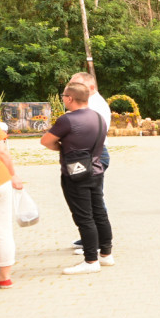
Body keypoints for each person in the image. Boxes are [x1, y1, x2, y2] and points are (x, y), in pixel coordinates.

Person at [40, 81, 114, 275]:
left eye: (64, 96)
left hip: (75, 173)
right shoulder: (99, 117)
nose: (63, 99)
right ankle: (106, 254)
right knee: (99, 212)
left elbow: (45, 141)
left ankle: (90, 260)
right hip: (96, 170)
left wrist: (62, 147)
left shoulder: (67, 119)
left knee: (84, 217)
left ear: (70, 98)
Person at [68, 72, 111, 253]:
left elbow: (84, 132)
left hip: (92, 155)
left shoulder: (94, 105)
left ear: (90, 87)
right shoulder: (91, 103)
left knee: (91, 201)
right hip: (90, 154)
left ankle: (96, 242)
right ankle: (92, 237)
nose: (72, 90)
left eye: (76, 85)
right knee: (91, 199)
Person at [0, 123, 25, 288]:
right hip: (1, 180)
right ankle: (5, 276)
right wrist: (13, 174)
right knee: (3, 229)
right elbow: (2, 151)